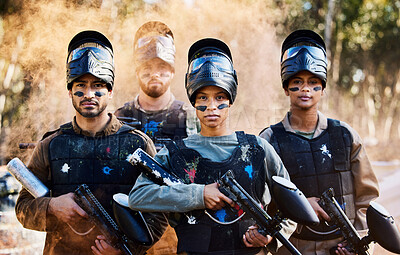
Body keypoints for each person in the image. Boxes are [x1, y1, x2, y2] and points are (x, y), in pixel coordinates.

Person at [129, 38, 296, 255]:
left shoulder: (258, 149)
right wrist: (198, 195)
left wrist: (271, 234)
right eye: (203, 98)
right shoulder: (175, 153)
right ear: (193, 101)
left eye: (219, 97)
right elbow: (138, 196)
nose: (211, 107)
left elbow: (293, 205)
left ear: (231, 99)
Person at [15, 30, 167, 255]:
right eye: (80, 86)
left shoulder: (138, 145)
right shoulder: (51, 145)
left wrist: (125, 250)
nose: (89, 94)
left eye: (97, 85)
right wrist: (52, 206)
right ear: (70, 91)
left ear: (110, 91)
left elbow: (160, 212)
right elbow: (22, 209)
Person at [259, 29, 379, 255]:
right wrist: (299, 208)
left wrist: (360, 244)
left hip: (343, 248)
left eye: (313, 82)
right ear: (286, 87)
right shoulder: (268, 141)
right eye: (297, 81)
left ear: (322, 88)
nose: (305, 88)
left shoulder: (345, 136)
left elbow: (367, 198)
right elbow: (259, 203)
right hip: (292, 247)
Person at [115, 21, 199, 151]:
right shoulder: (120, 118)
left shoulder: (191, 118)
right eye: (147, 67)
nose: (154, 74)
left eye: (161, 67)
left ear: (172, 72)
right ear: (137, 72)